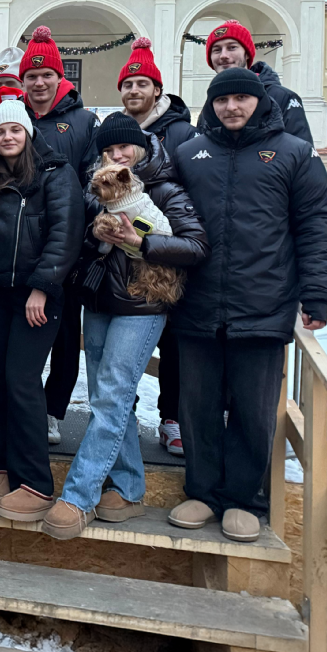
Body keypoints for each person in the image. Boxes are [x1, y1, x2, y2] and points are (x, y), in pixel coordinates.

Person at [170, 68, 327, 542]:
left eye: (242, 98)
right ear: (212, 105)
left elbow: (315, 227)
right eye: (222, 100)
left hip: (264, 304)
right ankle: (201, 492)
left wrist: (317, 292)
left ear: (260, 102)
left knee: (253, 410)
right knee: (197, 405)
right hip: (197, 303)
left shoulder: (294, 154)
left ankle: (244, 499)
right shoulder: (189, 154)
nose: (232, 108)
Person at [40, 114, 208, 540]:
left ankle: (79, 496)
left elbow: (195, 245)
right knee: (106, 397)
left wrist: (142, 242)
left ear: (141, 148)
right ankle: (130, 488)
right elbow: (80, 239)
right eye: (109, 149)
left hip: (143, 303)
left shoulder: (166, 189)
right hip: (99, 301)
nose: (117, 154)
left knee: (112, 394)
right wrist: (96, 234)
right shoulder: (97, 189)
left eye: (124, 148)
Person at [0, 99, 82, 521]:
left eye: (15, 130)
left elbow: (65, 232)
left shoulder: (56, 172)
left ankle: (35, 481)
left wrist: (42, 287)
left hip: (37, 295)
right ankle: (4, 464)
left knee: (21, 378)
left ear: (28, 134)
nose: (7, 137)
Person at [115, 36, 199, 456]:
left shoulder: (182, 131)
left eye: (141, 84)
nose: (134, 91)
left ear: (157, 90)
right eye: (128, 85)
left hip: (167, 243)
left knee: (175, 343)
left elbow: (190, 188)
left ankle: (172, 417)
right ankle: (121, 412)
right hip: (122, 253)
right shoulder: (114, 127)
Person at [19, 26, 101, 446]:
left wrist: (74, 232)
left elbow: (94, 182)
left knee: (66, 336)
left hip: (68, 249)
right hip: (20, 247)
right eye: (31, 76)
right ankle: (24, 406)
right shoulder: (14, 119)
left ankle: (53, 410)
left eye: (45, 75)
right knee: (23, 335)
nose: (38, 83)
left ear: (59, 77)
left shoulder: (84, 122)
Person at [200, 20, 313, 144]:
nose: (223, 55)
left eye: (232, 47)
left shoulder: (283, 97)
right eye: (217, 50)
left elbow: (302, 155)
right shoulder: (211, 102)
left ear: (247, 54)